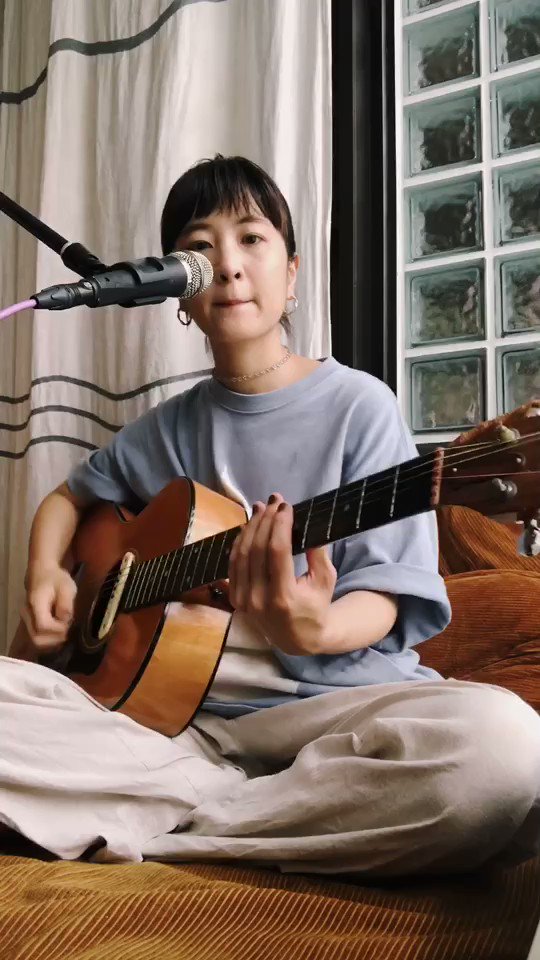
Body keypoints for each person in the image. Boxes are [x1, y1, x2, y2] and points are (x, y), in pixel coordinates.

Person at [2, 155, 540, 875]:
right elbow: (69, 500)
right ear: (180, 293)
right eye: (198, 247)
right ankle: (217, 807)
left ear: (291, 275)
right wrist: (44, 571)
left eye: (251, 238)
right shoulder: (167, 429)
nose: (226, 264)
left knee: (505, 752)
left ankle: (178, 820)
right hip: (177, 729)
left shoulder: (359, 406)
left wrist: (310, 626)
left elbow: (386, 594)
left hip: (336, 711)